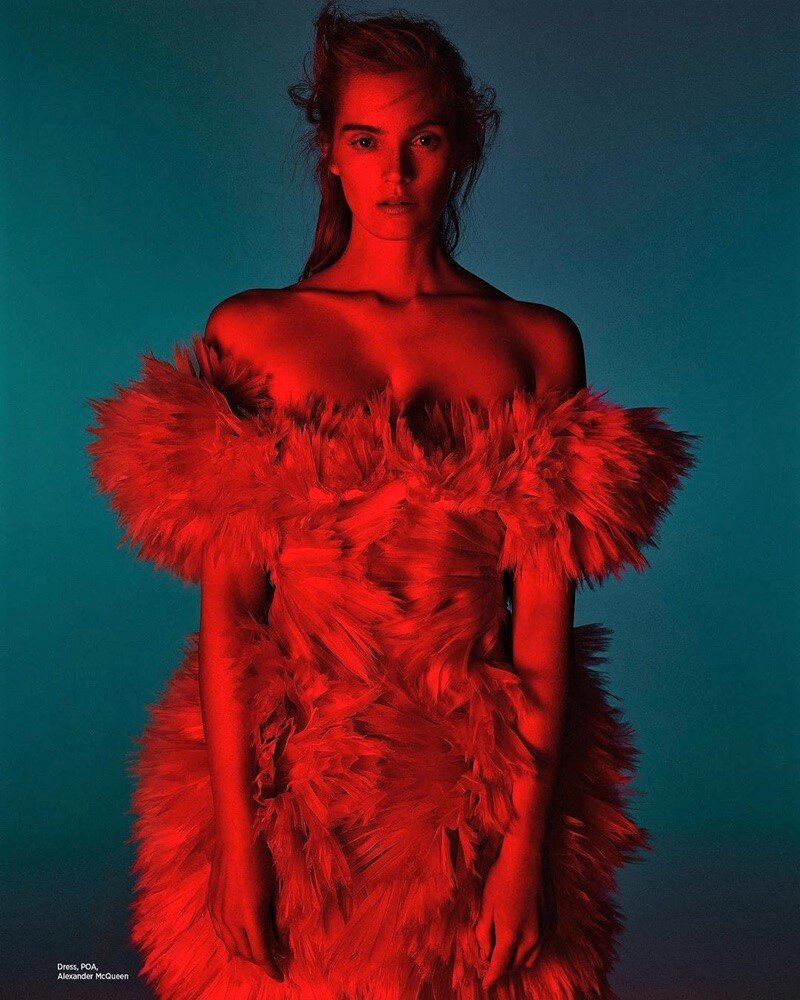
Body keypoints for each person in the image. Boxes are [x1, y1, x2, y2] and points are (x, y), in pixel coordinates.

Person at [86, 4, 698, 998]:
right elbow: (230, 614)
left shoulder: (533, 343)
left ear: (460, 149)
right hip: (295, 787)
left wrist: (521, 857)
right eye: (365, 140)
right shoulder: (256, 334)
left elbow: (541, 625)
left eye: (423, 139)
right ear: (329, 154)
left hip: (470, 789)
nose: (395, 172)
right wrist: (238, 847)